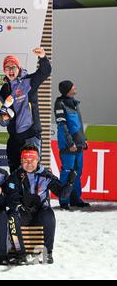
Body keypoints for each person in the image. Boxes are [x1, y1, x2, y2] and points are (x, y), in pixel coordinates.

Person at [4, 144, 77, 264]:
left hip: (40, 213)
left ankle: (48, 253)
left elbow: (63, 195)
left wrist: (70, 182)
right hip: (23, 214)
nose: (29, 163)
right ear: (21, 161)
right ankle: (20, 254)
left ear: (37, 160)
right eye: (25, 160)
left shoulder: (46, 176)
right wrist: (17, 206)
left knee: (49, 214)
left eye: (32, 160)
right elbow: (11, 196)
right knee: (11, 216)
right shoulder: (15, 176)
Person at [0, 47, 52, 172]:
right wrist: (3, 119)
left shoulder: (29, 81)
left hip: (31, 135)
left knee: (32, 171)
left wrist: (43, 57)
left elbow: (45, 72)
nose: (11, 70)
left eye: (13, 67)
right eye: (7, 68)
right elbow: (3, 114)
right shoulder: (4, 89)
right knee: (14, 171)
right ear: (4, 70)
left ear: (19, 68)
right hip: (14, 137)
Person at [54, 80, 90, 209]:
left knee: (78, 171)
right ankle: (64, 201)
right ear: (67, 90)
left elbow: (78, 125)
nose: (75, 88)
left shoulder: (74, 104)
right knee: (67, 171)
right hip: (68, 145)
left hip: (78, 143)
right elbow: (62, 126)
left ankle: (76, 199)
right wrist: (70, 143)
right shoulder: (60, 104)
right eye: (72, 86)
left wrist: (83, 139)